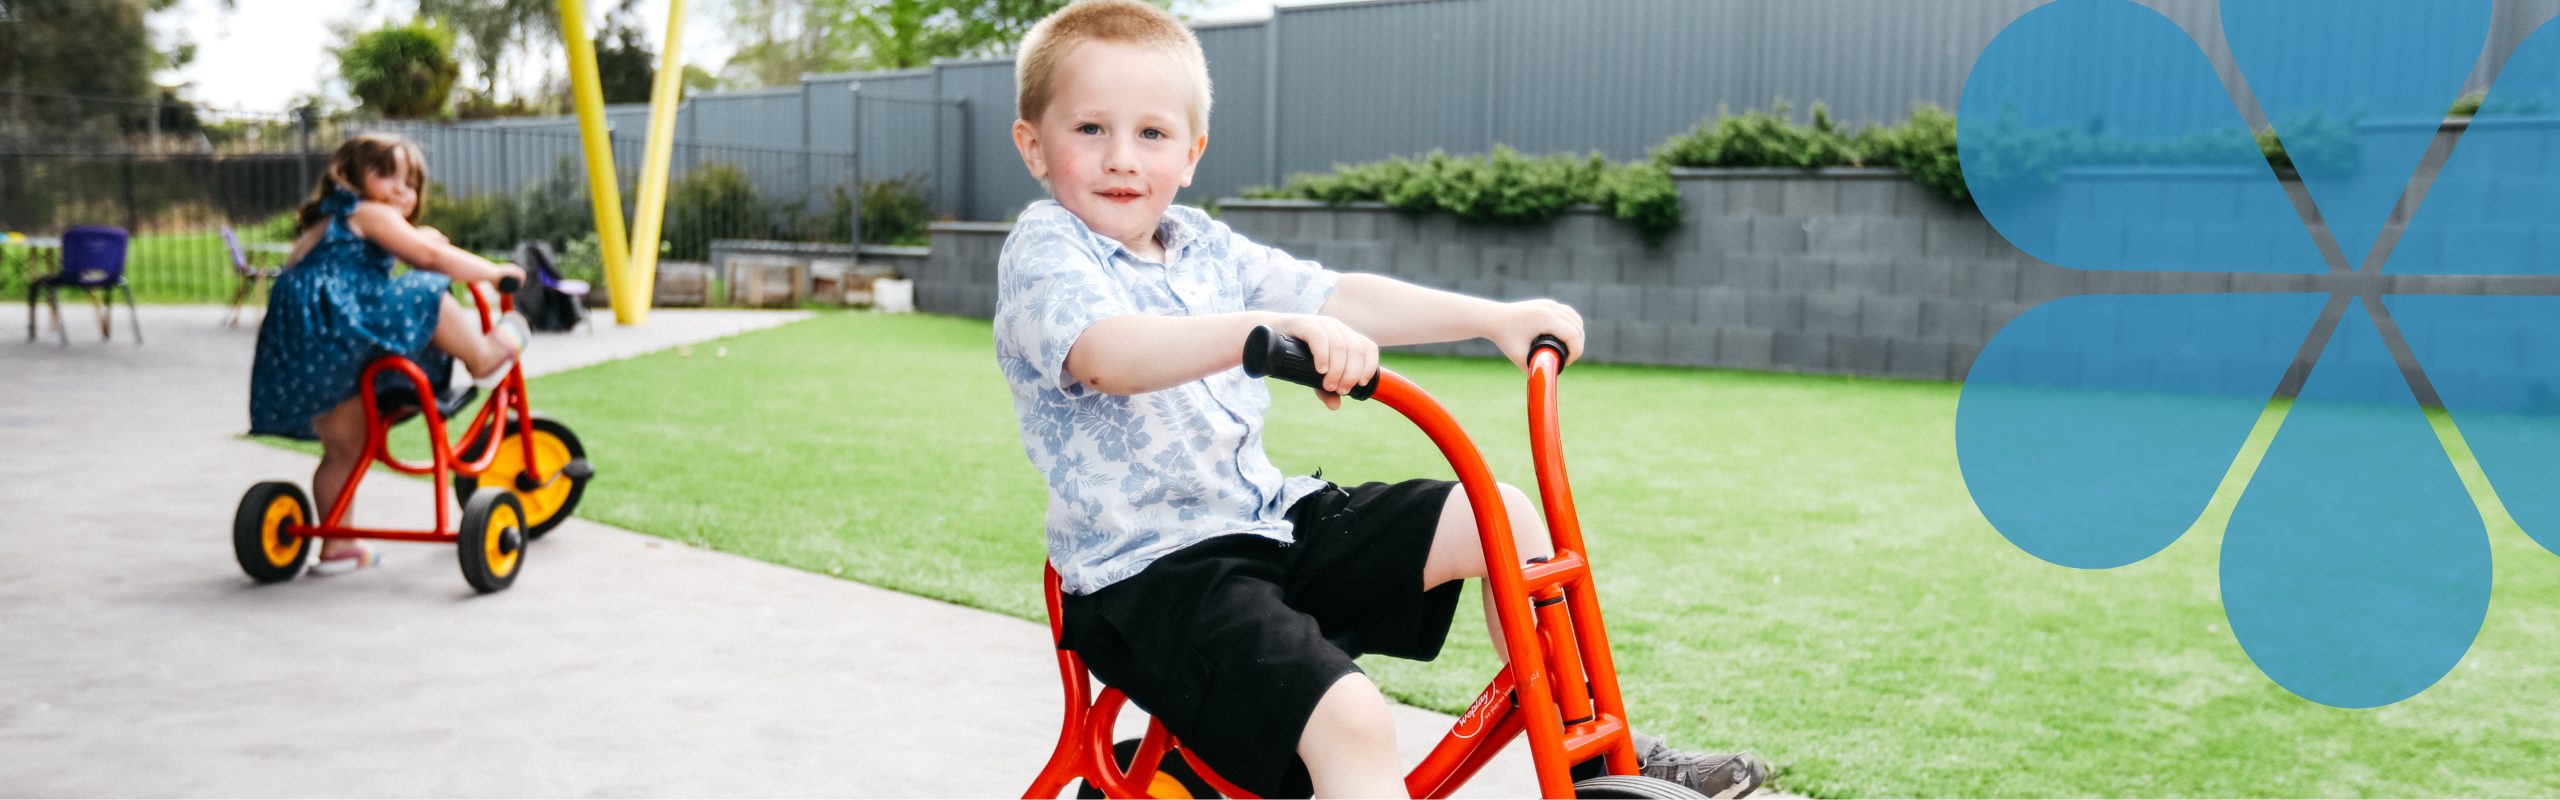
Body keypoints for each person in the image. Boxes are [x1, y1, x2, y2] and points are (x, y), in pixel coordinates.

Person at [994, 2, 1768, 797]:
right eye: (1091, 129)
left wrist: (1491, 320)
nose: (1122, 158)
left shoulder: (1202, 245)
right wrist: (1264, 326)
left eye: (1151, 134)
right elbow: (1107, 354)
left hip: (1268, 525)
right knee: (1353, 719)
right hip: (1149, 575)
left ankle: (1605, 756)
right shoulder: (1047, 250)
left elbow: (1337, 296)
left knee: (1499, 514)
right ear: (1033, 146)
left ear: (1191, 154)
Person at [248, 133, 530, 575]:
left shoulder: (325, 225)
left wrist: (418, 241)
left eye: (410, 181)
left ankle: (337, 545)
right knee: (425, 292)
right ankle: (484, 355)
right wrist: (493, 273)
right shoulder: (370, 212)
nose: (401, 188)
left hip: (307, 355)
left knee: (343, 451)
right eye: (386, 173)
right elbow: (429, 256)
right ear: (350, 175)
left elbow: (350, 278)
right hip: (336, 336)